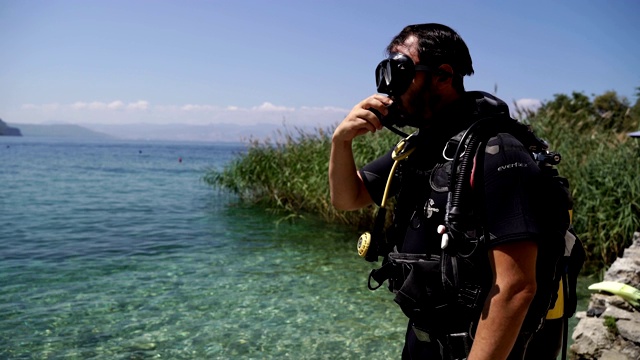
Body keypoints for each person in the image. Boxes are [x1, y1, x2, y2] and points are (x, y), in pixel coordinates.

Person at [329, 23, 570, 359]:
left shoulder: (498, 152)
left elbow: (515, 287)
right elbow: (347, 197)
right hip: (422, 342)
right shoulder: (418, 149)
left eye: (401, 72)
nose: (390, 88)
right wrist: (341, 142)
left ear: (443, 76)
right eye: (387, 73)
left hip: (475, 348)